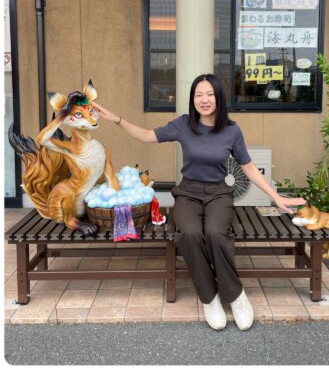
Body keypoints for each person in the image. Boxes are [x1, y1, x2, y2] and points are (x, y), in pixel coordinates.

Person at [95, 73, 306, 330]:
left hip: (219, 193)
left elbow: (249, 168)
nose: (204, 99)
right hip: (188, 192)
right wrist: (116, 119)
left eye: (209, 94)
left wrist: (276, 197)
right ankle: (210, 297)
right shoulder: (184, 125)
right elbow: (146, 135)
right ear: (192, 98)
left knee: (216, 233)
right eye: (198, 94)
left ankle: (235, 295)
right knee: (190, 234)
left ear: (218, 97)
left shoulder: (231, 131)